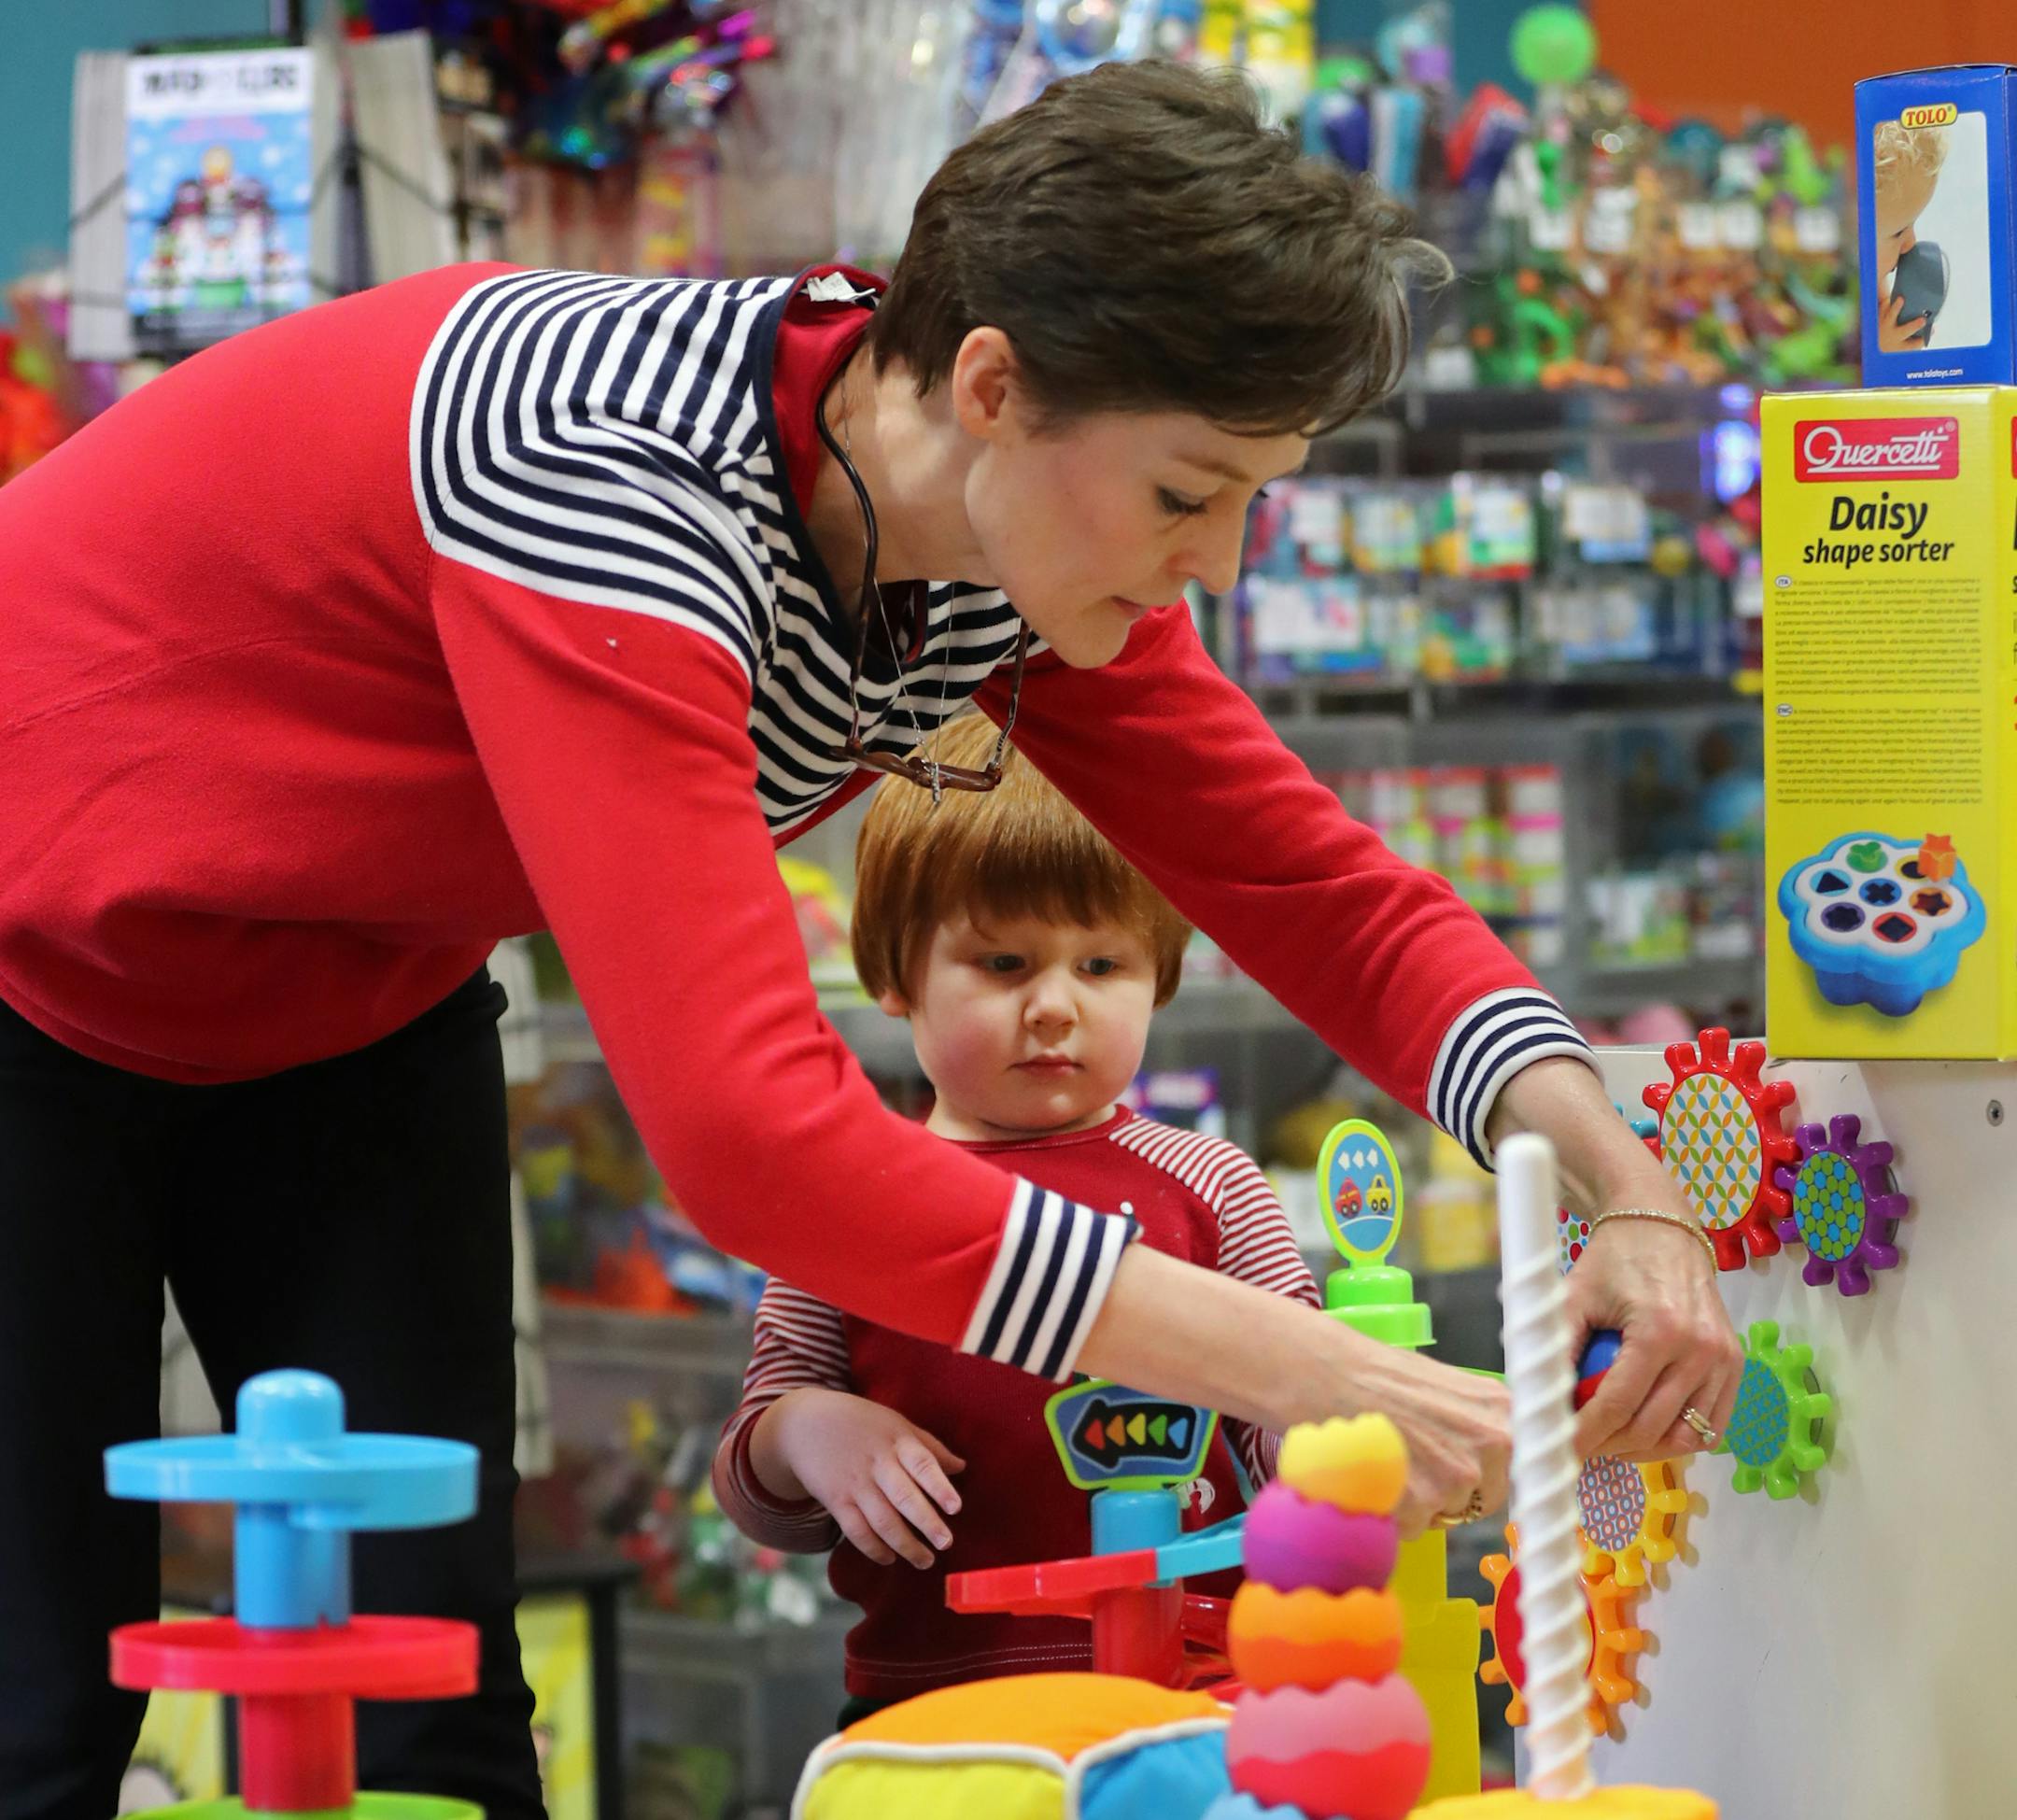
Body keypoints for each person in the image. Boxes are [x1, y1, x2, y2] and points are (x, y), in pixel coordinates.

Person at [0, 59, 1738, 1817]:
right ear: (993, 384)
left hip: (351, 984)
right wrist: (1314, 1367)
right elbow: (760, 1144)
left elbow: (1314, 882)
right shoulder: (614, 491)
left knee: (438, 1703)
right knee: (36, 1704)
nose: (1213, 561)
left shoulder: (992, 524)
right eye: (1187, 492)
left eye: (1254, 499)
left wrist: (1627, 1178)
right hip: (26, 967)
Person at [713, 716, 1321, 1714]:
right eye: (1003, 963)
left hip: (1197, 1697)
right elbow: (756, 1483)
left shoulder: (1212, 1184)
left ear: (1159, 976)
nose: (1054, 1006)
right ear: (893, 975)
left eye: (1101, 965)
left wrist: (1331, 1450)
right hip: (933, 1713)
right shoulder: (844, 1196)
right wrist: (807, 1431)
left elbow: (1288, 1421)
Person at [1873, 119, 1949, 352]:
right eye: (1898, 232)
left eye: (1912, 225)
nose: (1911, 244)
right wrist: (1881, 351)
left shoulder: (1878, 283)